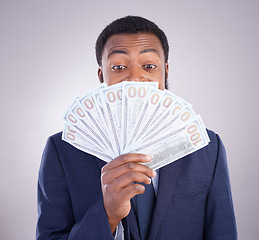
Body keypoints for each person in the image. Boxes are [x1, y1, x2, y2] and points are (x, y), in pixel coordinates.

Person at [36, 16, 237, 239]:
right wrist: (108, 215)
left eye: (149, 66)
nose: (135, 79)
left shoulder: (206, 148)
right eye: (119, 67)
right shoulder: (62, 150)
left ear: (165, 72)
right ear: (102, 76)